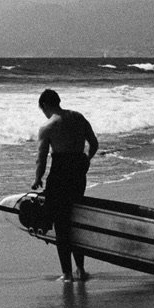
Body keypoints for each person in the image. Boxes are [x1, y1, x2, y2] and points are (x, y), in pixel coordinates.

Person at [31, 88, 99, 282]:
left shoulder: (48, 127)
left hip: (60, 175)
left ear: (45, 105)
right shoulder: (78, 117)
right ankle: (81, 270)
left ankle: (67, 274)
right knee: (75, 219)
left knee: (61, 225)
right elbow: (94, 144)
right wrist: (86, 159)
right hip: (78, 173)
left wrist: (37, 178)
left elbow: (41, 158)